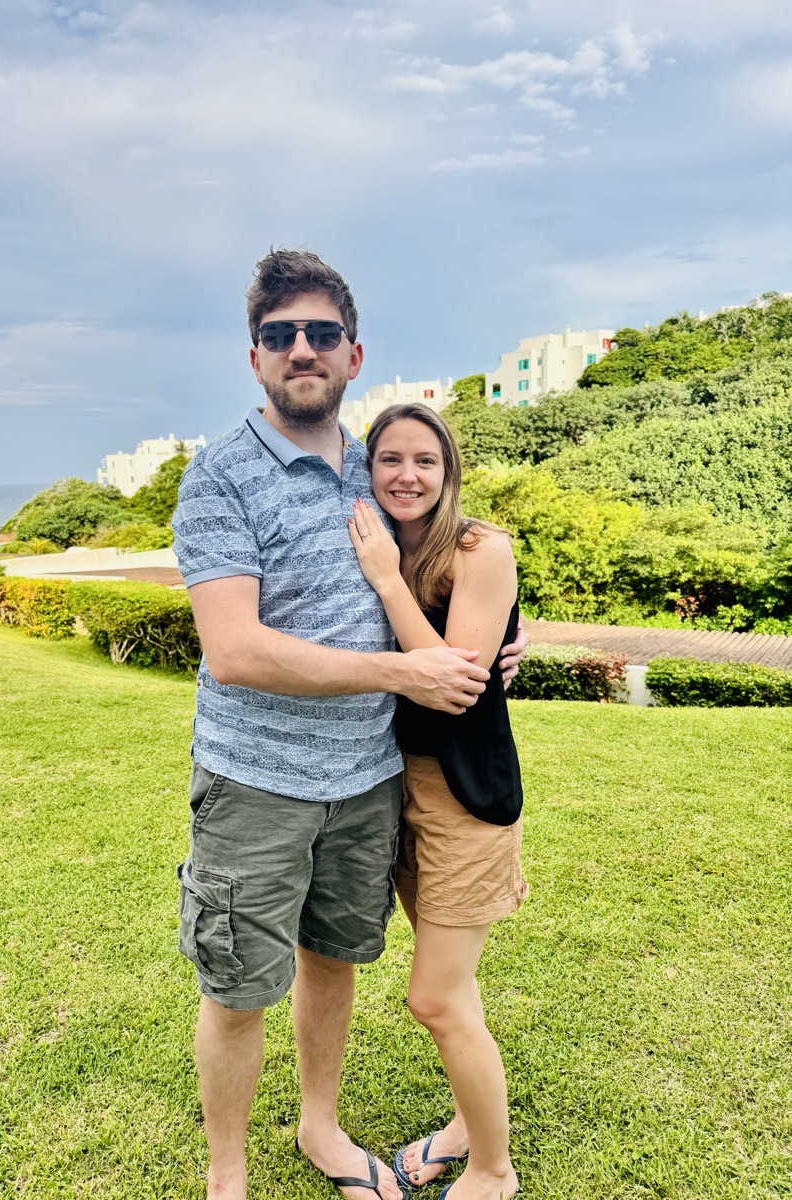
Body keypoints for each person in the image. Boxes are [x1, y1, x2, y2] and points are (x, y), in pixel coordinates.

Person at [172, 249, 527, 1200]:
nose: (301, 349)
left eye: (321, 334)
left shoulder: (374, 469)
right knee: (240, 986)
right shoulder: (220, 477)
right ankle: (227, 1175)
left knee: (334, 962)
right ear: (254, 358)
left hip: (369, 780)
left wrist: (499, 646)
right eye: (279, 335)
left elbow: (452, 563)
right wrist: (403, 670)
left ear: (353, 354)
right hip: (256, 782)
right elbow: (235, 649)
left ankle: (320, 1125)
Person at [347, 403, 526, 1200]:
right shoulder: (381, 542)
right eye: (390, 459)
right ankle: (465, 1126)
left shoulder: (477, 548)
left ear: (450, 469)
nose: (408, 475)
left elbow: (454, 685)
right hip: (397, 788)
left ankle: (494, 1168)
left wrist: (387, 581)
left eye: (426, 460)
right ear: (369, 468)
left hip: (464, 797)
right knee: (457, 992)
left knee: (434, 997)